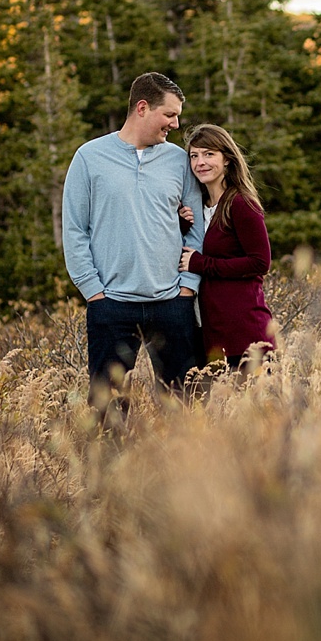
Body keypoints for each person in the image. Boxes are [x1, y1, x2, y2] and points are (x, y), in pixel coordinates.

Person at [62, 71, 206, 405]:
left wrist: (188, 287)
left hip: (172, 303)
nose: (175, 123)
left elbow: (197, 227)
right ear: (142, 108)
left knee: (184, 404)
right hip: (111, 305)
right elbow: (74, 229)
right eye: (169, 115)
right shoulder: (89, 157)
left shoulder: (178, 161)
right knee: (106, 407)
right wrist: (93, 291)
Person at [177, 123, 275, 370]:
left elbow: (260, 262)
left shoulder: (241, 203)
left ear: (228, 160)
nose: (201, 162)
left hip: (245, 333)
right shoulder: (198, 207)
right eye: (194, 156)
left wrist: (202, 263)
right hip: (212, 333)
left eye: (209, 154)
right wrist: (181, 228)